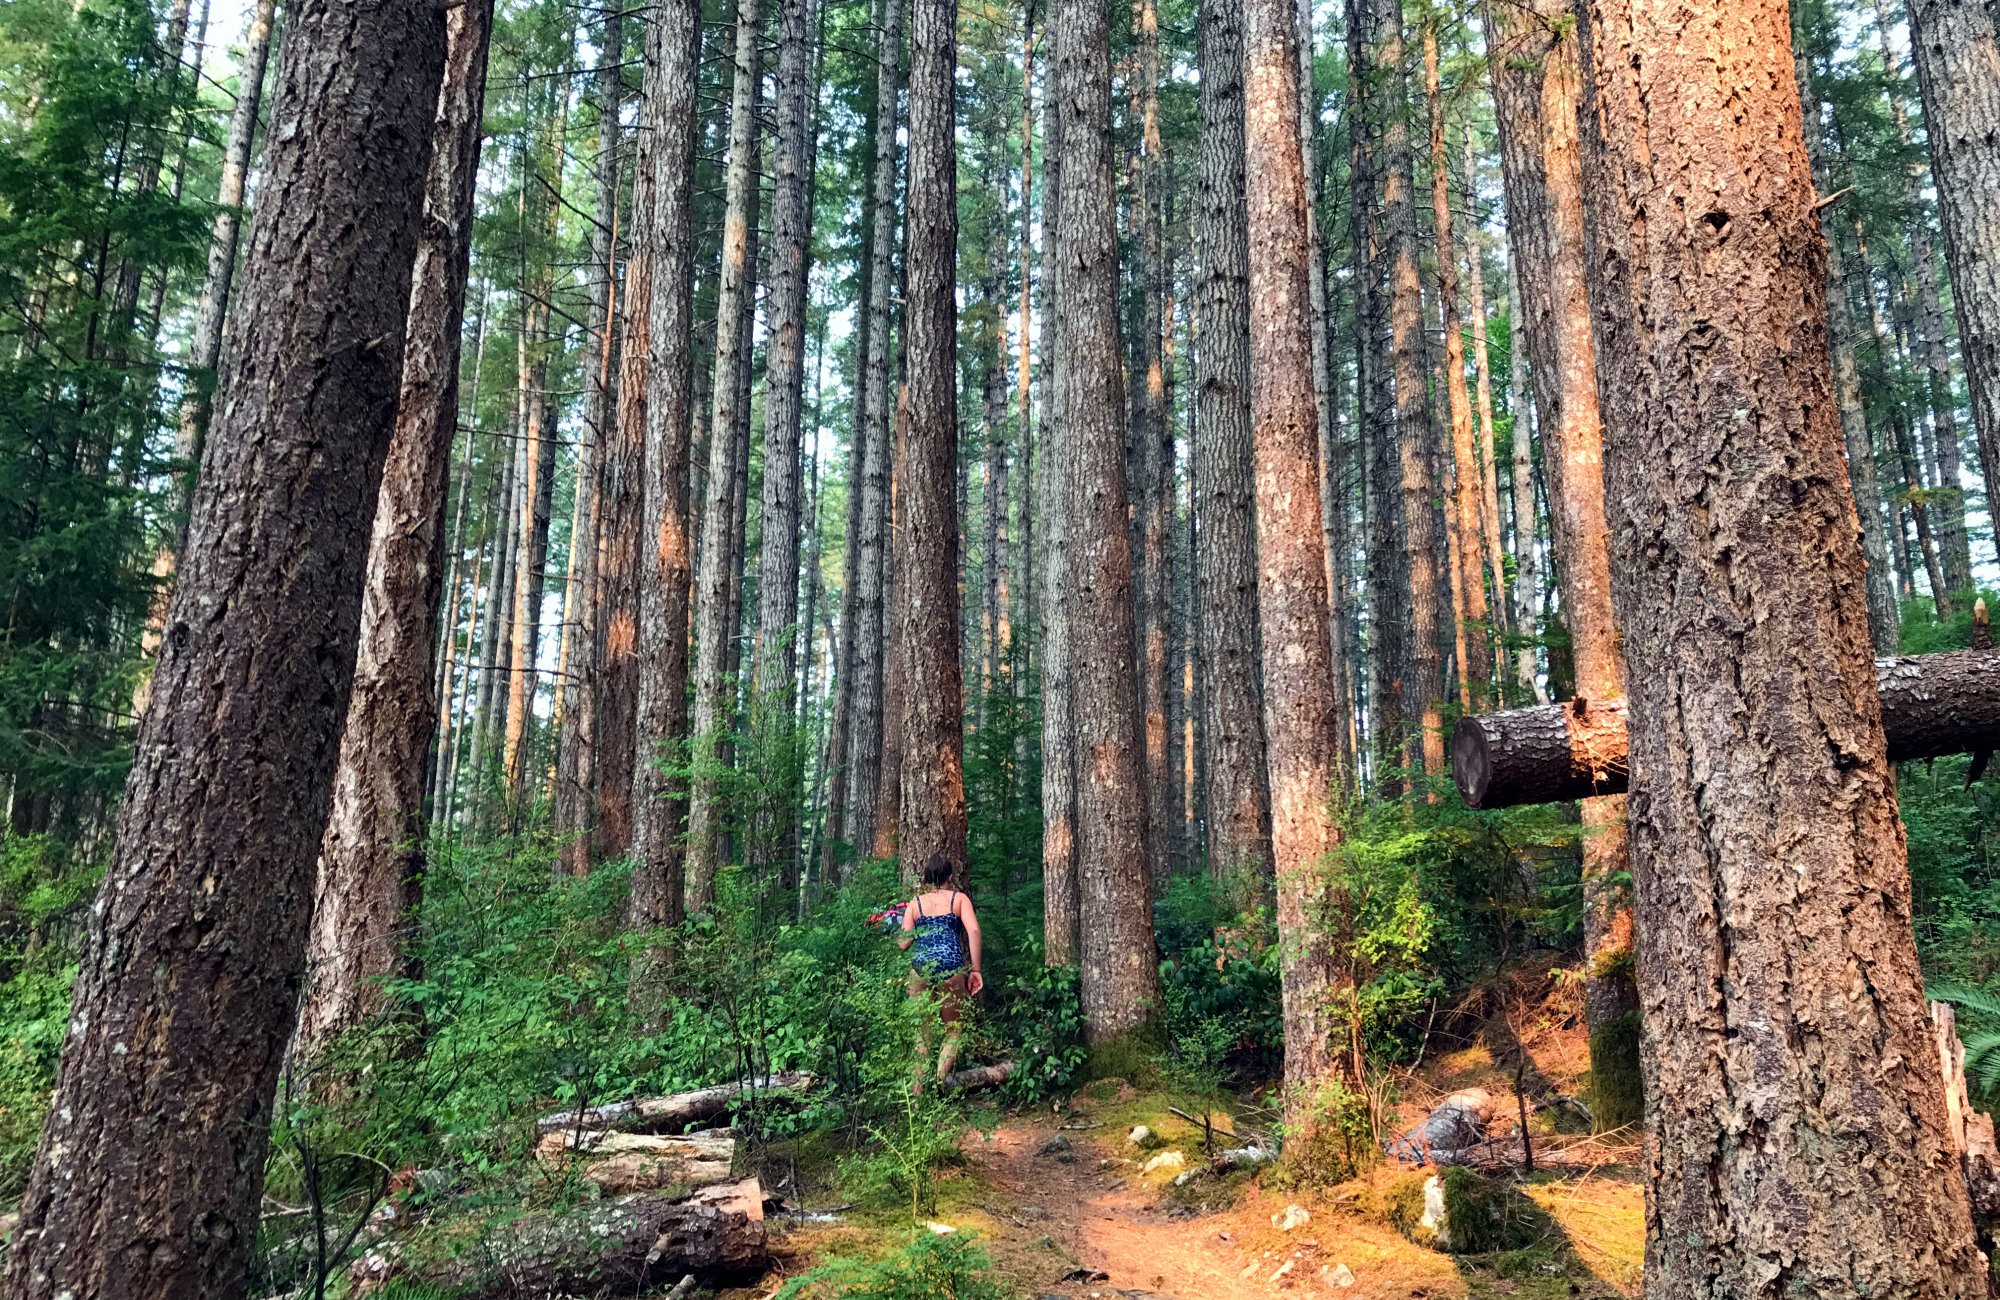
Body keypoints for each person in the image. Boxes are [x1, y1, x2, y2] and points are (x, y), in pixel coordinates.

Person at [898, 854, 983, 1090]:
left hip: (921, 968)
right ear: (950, 876)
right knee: (953, 1031)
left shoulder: (915, 903)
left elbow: (903, 944)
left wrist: (896, 925)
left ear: (927, 877)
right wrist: (975, 969)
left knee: (921, 1037)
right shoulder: (959, 899)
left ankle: (917, 1102)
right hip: (951, 967)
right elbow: (974, 931)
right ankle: (938, 1086)